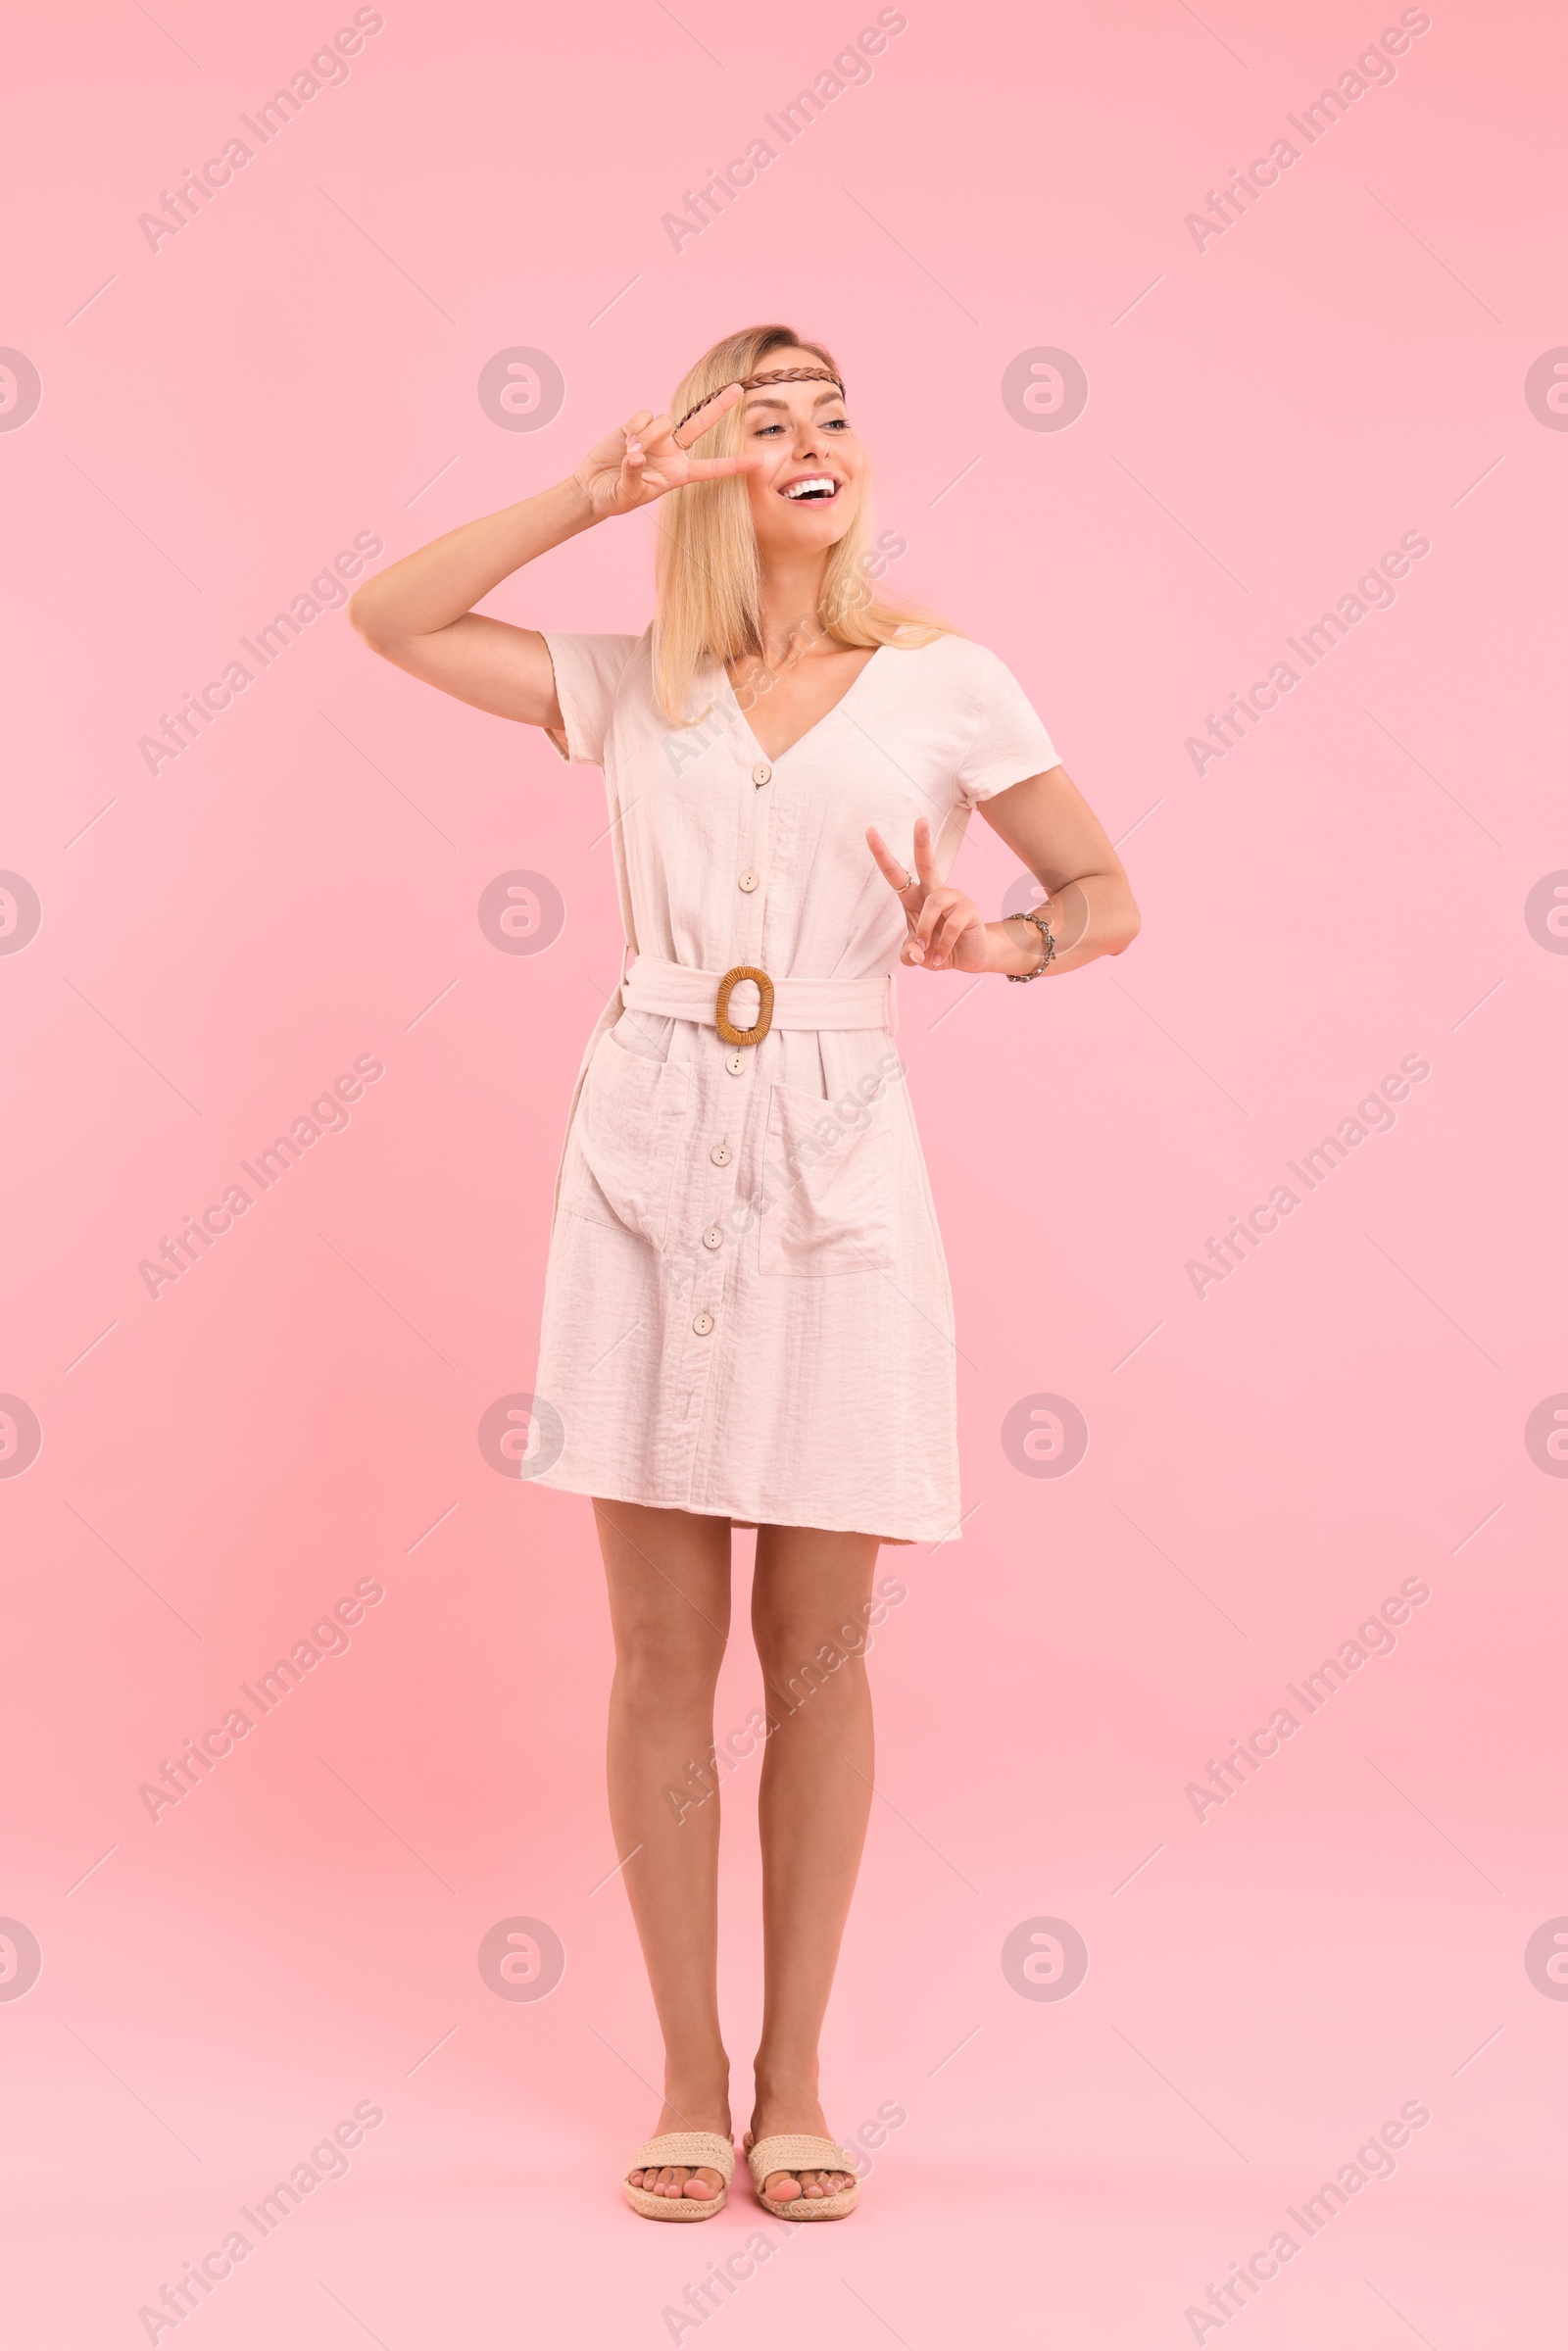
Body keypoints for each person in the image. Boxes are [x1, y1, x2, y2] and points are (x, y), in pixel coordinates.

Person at [349, 322, 1140, 2223]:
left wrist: (996, 954)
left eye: (831, 415)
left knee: (820, 1653)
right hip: (644, 1137)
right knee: (654, 1653)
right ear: (707, 469)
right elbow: (388, 614)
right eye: (759, 420)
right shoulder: (636, 687)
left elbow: (1103, 898)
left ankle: (796, 2073)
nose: (809, 439)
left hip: (837, 1146)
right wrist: (589, 492)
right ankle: (684, 2076)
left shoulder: (943, 685)